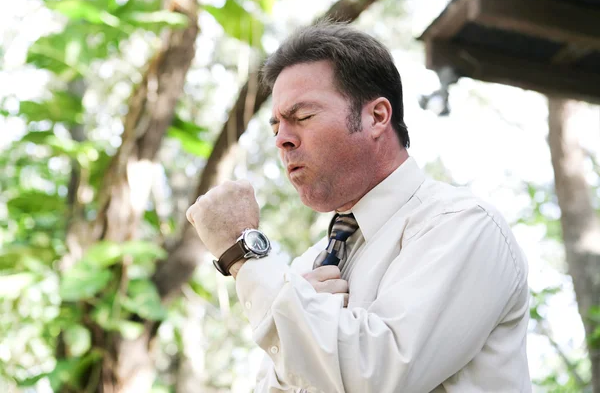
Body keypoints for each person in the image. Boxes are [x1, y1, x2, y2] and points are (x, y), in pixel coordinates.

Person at [186, 21, 531, 393]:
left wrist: (244, 253)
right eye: (275, 128)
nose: (282, 140)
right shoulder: (307, 269)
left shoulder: (462, 227)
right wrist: (301, 315)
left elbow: (374, 377)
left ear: (377, 117)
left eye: (302, 117)